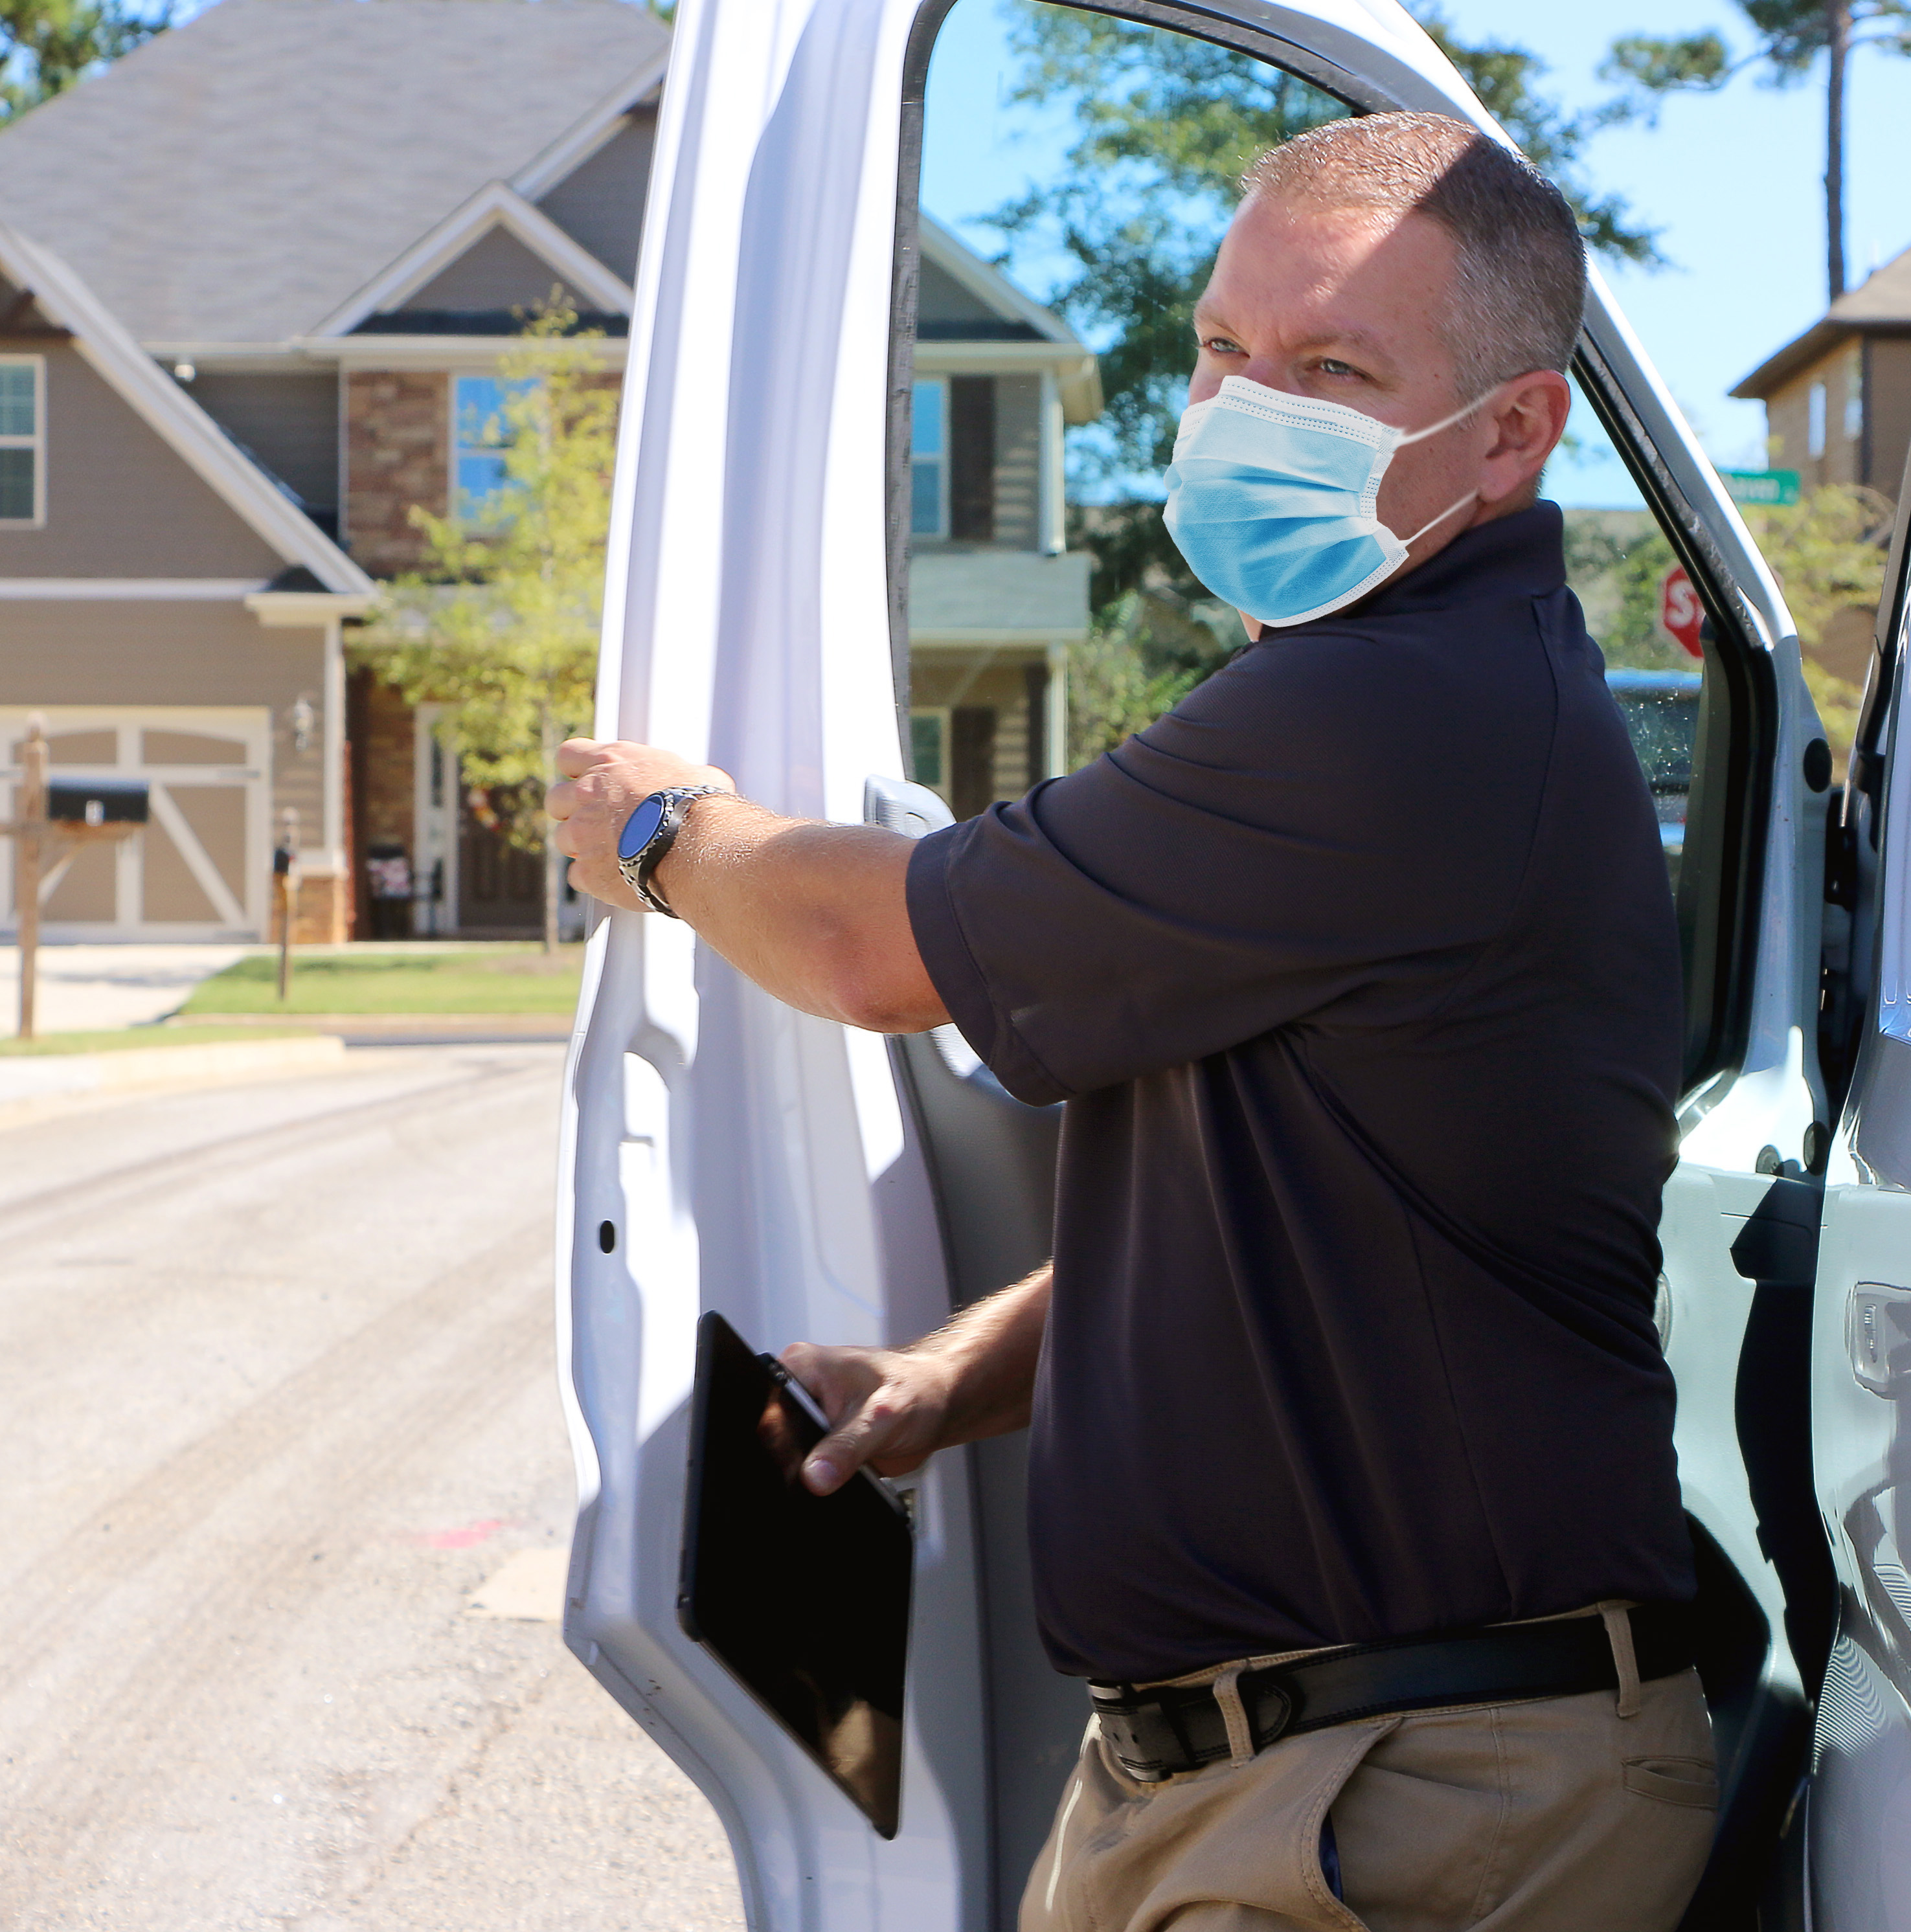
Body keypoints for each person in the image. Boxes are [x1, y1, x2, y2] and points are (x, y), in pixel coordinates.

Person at [550, 111, 1710, 1932]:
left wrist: (662, 831)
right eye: (1225, 350)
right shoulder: (1397, 696)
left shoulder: (1401, 717)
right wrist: (953, 1379)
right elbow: (1282, 1226)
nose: (1246, 406)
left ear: (1511, 431)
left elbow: (873, 948)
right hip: (1299, 1776)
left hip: (1401, 1799)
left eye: (1334, 369)